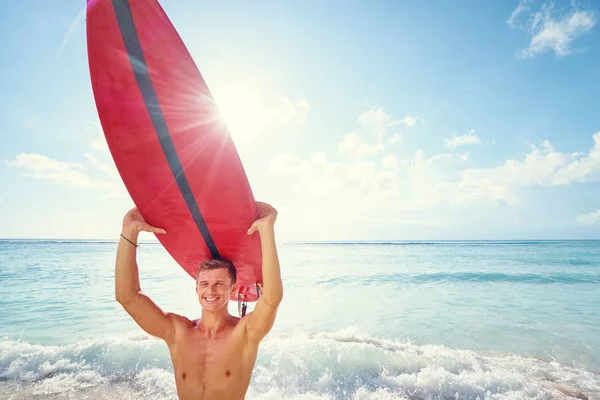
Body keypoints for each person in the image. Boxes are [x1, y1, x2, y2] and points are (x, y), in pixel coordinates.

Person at [115, 201, 282, 400]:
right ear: (196, 288)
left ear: (234, 288)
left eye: (219, 283)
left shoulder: (245, 332)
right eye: (204, 284)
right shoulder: (177, 331)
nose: (210, 290)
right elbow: (127, 297)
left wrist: (266, 230)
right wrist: (129, 230)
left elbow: (272, 298)